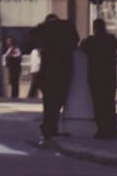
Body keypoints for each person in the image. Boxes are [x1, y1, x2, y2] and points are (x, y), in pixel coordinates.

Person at [26, 11, 79, 145]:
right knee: (59, 100)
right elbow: (76, 42)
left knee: (49, 102)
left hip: (48, 71)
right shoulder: (68, 27)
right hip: (64, 69)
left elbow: (32, 36)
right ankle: (50, 127)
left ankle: (48, 128)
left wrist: (45, 26)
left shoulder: (45, 29)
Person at [79, 17, 117, 138]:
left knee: (98, 104)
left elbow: (82, 45)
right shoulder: (111, 39)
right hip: (109, 76)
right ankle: (112, 127)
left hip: (96, 76)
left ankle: (102, 128)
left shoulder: (91, 41)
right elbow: (116, 46)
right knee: (110, 102)